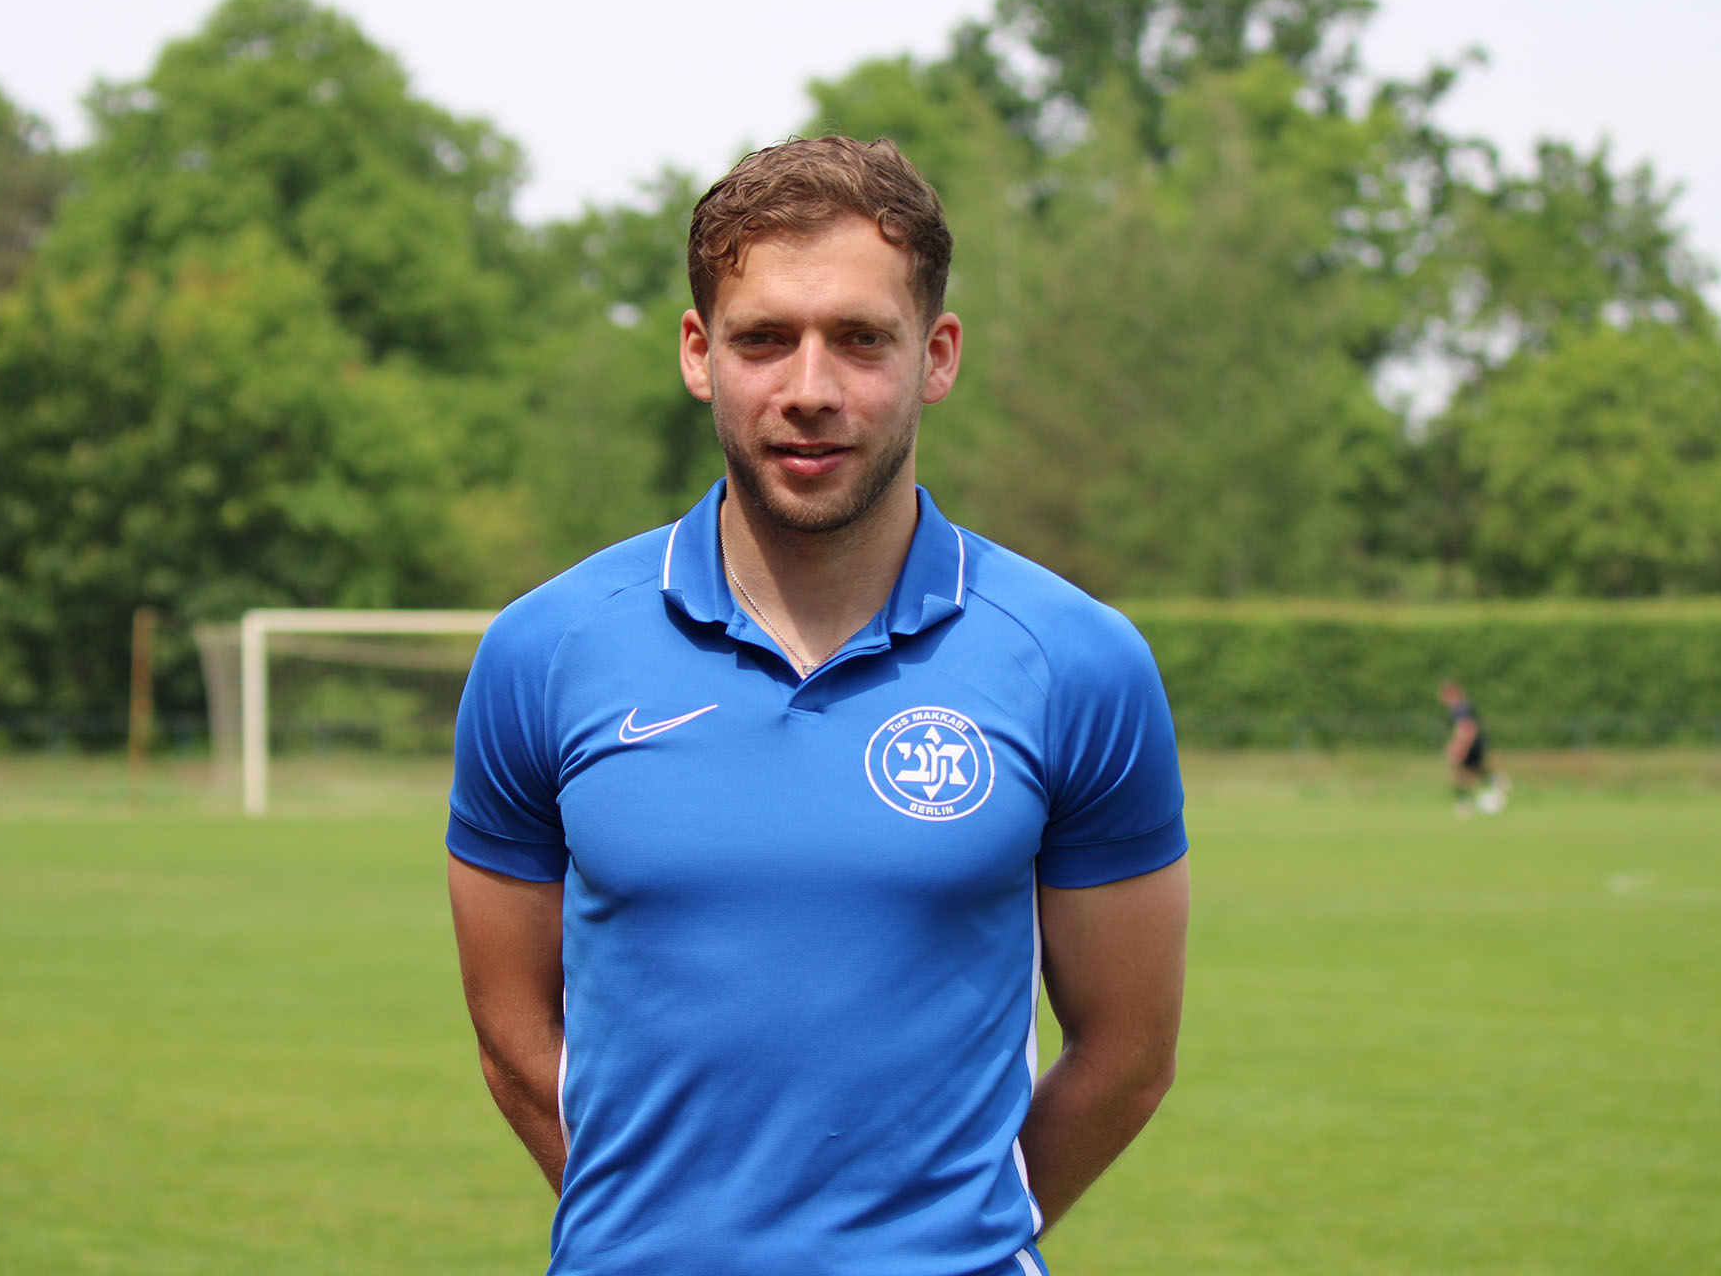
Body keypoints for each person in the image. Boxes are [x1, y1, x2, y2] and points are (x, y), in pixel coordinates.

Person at [446, 135, 1189, 1276]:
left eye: (859, 339)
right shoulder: (545, 649)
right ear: (700, 354)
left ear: (935, 355)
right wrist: (653, 1229)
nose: (809, 390)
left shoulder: (1076, 658)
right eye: (762, 340)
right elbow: (511, 1032)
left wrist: (954, 1240)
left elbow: (1129, 1051)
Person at [1439, 680, 1508, 817]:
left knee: (1459, 775)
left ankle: (1465, 805)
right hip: (1476, 744)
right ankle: (1496, 779)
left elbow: (1467, 728)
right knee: (1473, 772)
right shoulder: (1464, 706)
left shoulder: (1459, 708)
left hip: (1469, 745)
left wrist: (1460, 747)